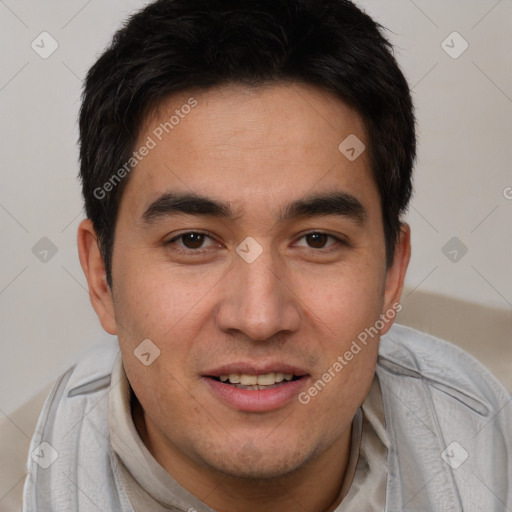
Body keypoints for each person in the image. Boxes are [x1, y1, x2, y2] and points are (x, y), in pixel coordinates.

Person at [22, 0, 511, 510]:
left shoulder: (493, 450)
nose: (259, 318)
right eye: (193, 240)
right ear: (102, 277)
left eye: (317, 240)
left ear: (392, 274)